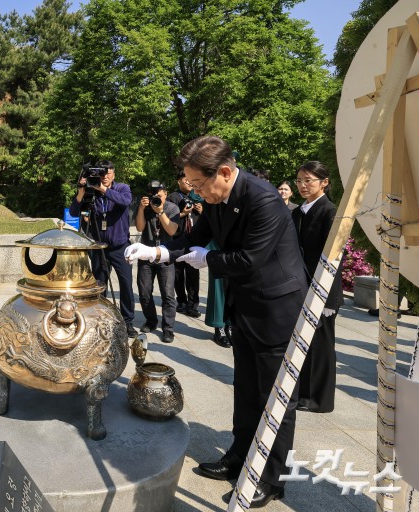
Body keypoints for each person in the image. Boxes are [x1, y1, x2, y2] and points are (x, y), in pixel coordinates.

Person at [125, 135, 307, 508]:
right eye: (191, 184)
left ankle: (271, 479)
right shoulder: (217, 197)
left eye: (200, 184)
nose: (196, 192)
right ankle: (239, 458)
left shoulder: (263, 199)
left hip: (277, 308)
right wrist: (156, 251)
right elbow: (195, 237)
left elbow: (249, 258)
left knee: (274, 397)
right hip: (246, 304)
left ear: (224, 171)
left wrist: (206, 261)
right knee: (244, 387)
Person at [292, 161, 343, 413]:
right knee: (304, 344)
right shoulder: (298, 212)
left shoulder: (329, 211)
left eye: (308, 180)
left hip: (323, 290)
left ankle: (320, 399)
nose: (302, 185)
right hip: (301, 287)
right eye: (299, 180)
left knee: (322, 347)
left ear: (324, 183)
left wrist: (330, 300)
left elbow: (336, 258)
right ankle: (303, 393)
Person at [69, 160, 137, 337]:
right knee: (99, 285)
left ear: (114, 174)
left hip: (120, 246)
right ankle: (101, 319)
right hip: (99, 247)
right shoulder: (91, 190)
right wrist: (81, 192)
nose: (105, 176)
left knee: (126, 285)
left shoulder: (122, 188)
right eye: (102, 173)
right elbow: (74, 212)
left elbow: (125, 201)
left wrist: (103, 189)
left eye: (108, 173)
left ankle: (128, 321)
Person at [134, 180, 180, 342]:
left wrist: (160, 212)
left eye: (159, 195)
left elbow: (172, 230)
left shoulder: (172, 208)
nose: (156, 198)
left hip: (166, 255)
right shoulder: (145, 207)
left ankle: (168, 329)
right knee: (144, 292)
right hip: (146, 255)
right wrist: (141, 208)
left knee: (168, 295)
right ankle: (151, 320)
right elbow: (139, 228)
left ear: (166, 194)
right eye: (154, 195)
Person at [168, 170, 203, 318]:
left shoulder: (198, 195)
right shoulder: (173, 197)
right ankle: (181, 301)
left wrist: (202, 211)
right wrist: (182, 213)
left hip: (194, 239)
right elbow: (169, 218)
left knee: (193, 273)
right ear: (178, 181)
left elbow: (207, 221)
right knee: (177, 273)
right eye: (185, 179)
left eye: (190, 179)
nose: (188, 182)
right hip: (178, 239)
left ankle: (193, 304)